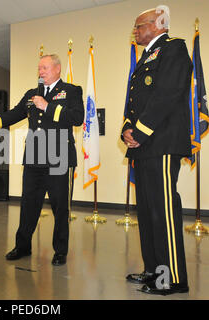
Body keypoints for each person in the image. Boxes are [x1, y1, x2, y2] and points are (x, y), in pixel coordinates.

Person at [0, 54, 84, 266]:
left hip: (60, 158)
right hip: (33, 159)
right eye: (39, 68)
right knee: (29, 204)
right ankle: (22, 246)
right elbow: (13, 114)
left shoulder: (72, 91)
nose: (41, 72)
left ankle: (60, 251)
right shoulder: (31, 94)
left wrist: (48, 106)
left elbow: (77, 118)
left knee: (60, 207)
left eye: (45, 68)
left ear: (58, 69)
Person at [122, 8, 192, 295]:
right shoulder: (143, 59)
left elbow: (167, 94)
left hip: (161, 143)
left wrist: (138, 132)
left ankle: (172, 278)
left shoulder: (174, 48)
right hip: (143, 147)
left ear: (157, 25)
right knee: (148, 212)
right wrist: (126, 129)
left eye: (139, 26)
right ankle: (153, 271)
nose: (135, 31)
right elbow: (134, 102)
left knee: (162, 212)